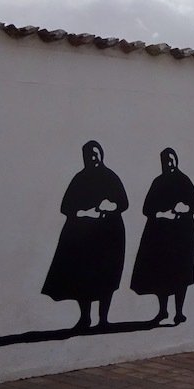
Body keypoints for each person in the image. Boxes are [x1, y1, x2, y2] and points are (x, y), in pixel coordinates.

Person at [42, 140, 130, 330]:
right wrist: (83, 212)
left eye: (95, 153)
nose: (92, 157)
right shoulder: (79, 179)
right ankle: (85, 318)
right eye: (89, 154)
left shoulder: (110, 177)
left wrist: (111, 206)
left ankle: (103, 319)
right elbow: (66, 206)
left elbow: (123, 202)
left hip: (109, 237)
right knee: (85, 278)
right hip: (85, 239)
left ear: (101, 154)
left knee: (106, 277)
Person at [130, 147, 194, 325]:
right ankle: (163, 310)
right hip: (161, 236)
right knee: (162, 275)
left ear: (176, 160)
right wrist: (161, 214)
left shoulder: (184, 181)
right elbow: (147, 208)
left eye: (171, 160)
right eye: (165, 160)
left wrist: (183, 209)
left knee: (181, 275)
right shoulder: (158, 182)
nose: (168, 163)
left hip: (182, 235)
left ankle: (179, 311)